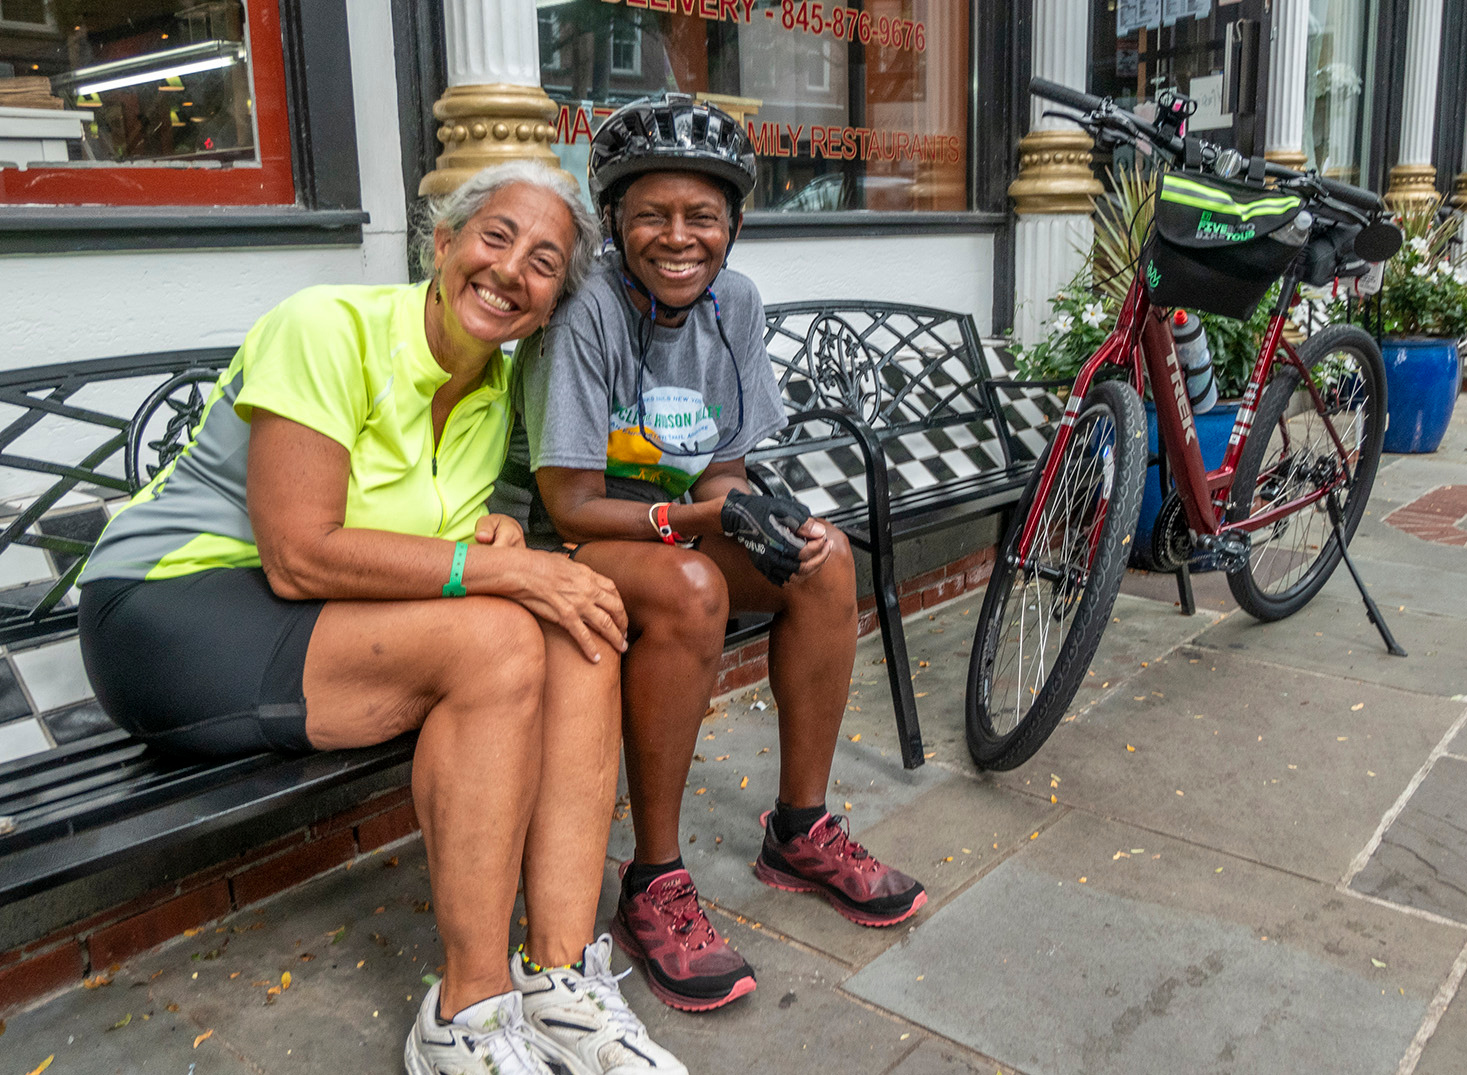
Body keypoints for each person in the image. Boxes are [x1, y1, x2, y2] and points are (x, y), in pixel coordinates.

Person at [76, 161, 686, 1075]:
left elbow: (423, 546)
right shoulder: (326, 325)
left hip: (315, 615)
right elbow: (301, 551)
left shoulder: (491, 390)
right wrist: (491, 571)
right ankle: (467, 1013)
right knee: (503, 635)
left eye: (546, 261)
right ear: (441, 246)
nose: (513, 269)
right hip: (168, 605)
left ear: (554, 300)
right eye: (495, 236)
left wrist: (498, 538)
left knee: (582, 623)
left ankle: (560, 976)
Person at [505, 95, 927, 1013]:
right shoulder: (585, 314)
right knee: (694, 588)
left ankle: (800, 830)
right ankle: (653, 879)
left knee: (826, 560)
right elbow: (569, 504)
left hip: (676, 532)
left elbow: (724, 472)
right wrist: (698, 524)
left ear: (733, 225)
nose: (677, 237)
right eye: (651, 215)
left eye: (702, 216)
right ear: (614, 222)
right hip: (571, 544)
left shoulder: (734, 303)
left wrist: (759, 515)